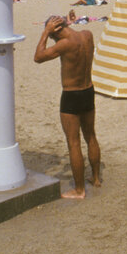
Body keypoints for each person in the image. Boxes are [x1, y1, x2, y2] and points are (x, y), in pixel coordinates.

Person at [33, 15, 101, 199]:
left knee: (74, 143)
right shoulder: (87, 35)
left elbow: (38, 57)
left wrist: (45, 33)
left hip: (72, 94)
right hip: (88, 90)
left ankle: (79, 190)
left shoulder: (65, 45)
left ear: (55, 30)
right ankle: (96, 178)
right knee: (91, 136)